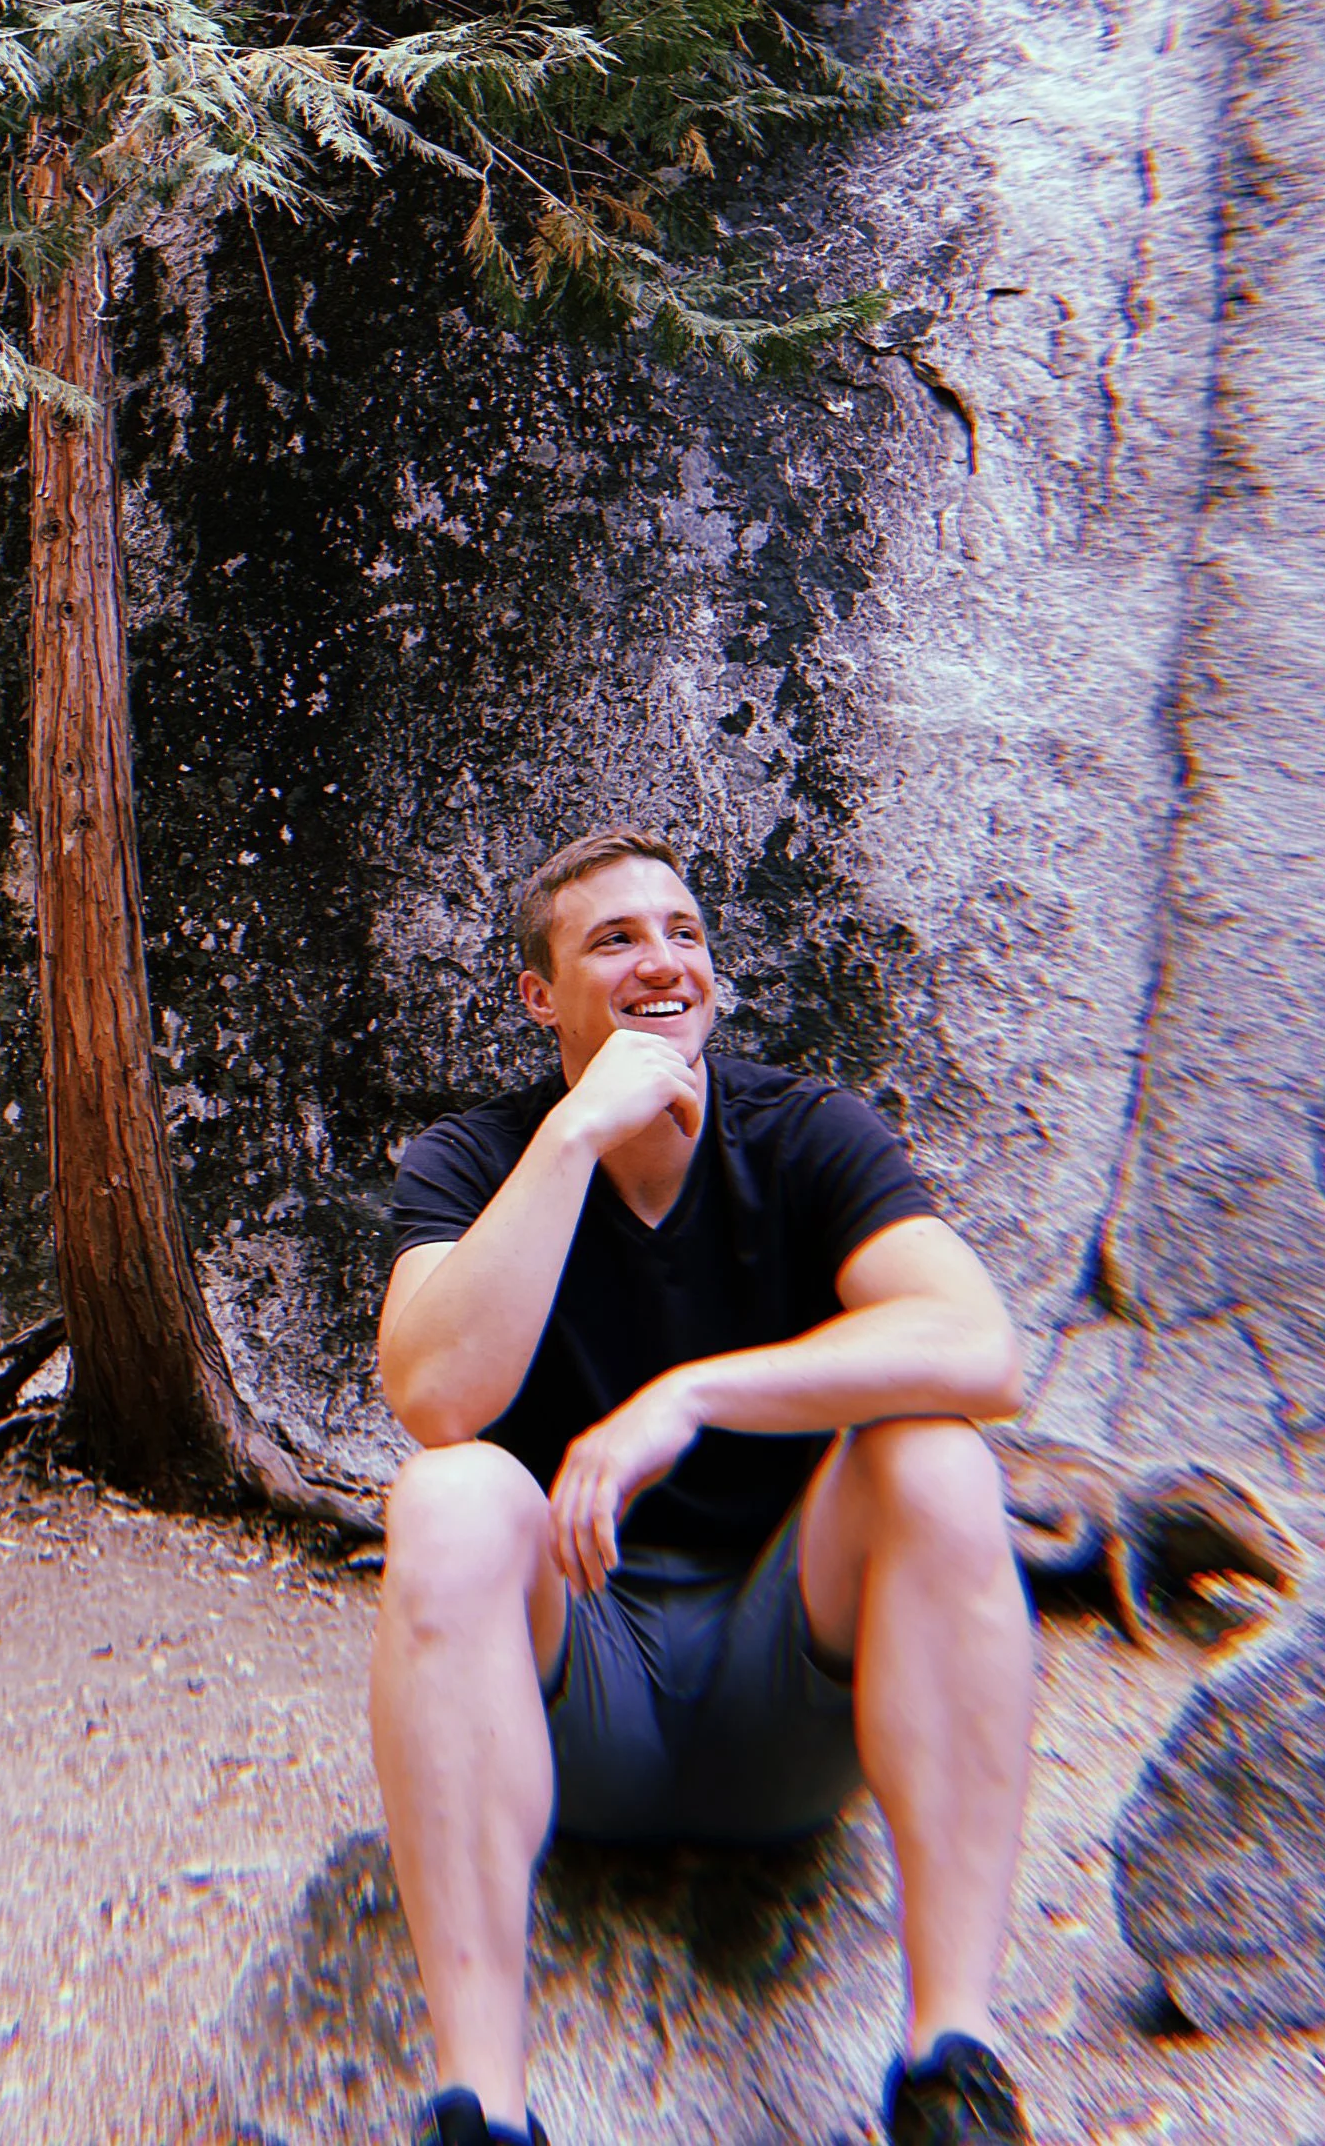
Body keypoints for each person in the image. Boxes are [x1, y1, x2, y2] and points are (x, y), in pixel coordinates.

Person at [370, 827, 1037, 2146]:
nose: (663, 960)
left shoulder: (806, 1132)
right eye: (614, 940)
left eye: (684, 934)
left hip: (780, 1694)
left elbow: (979, 1348)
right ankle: (482, 2110)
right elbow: (435, 1396)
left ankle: (952, 2071)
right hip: (580, 1706)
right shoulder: (474, 1157)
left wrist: (690, 1397)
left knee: (939, 1458)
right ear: (540, 997)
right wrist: (574, 1137)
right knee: (445, 1497)